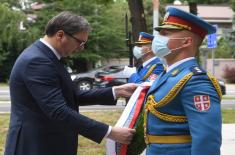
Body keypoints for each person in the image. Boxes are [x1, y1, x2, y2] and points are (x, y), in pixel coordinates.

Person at [4, 11, 137, 155]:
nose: (81, 48)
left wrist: (116, 91)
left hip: (47, 143)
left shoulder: (49, 57)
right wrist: (110, 132)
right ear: (60, 35)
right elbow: (58, 111)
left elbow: (72, 96)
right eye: (80, 42)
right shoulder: (37, 61)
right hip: (34, 146)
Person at [144, 7, 222, 155]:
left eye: (165, 34)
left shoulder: (196, 81)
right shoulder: (168, 74)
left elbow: (207, 139)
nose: (158, 38)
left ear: (186, 42)